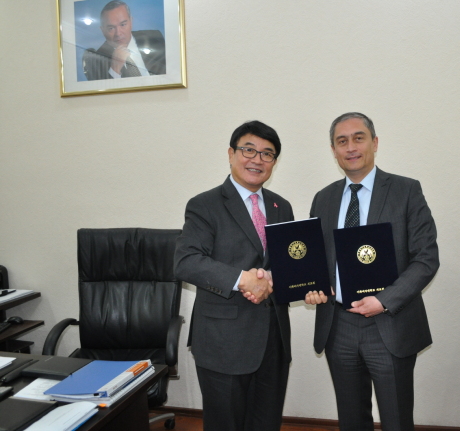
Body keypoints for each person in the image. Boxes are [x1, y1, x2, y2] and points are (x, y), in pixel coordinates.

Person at [305, 112, 439, 431]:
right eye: (342, 141)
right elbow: (316, 261)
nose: (350, 147)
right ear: (334, 150)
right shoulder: (323, 199)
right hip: (338, 325)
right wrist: (313, 285)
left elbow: (426, 258)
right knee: (352, 421)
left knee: (396, 420)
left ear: (375, 143)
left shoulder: (406, 191)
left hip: (388, 322)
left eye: (358, 138)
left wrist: (385, 300)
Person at [174, 121, 293, 431]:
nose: (257, 159)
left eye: (267, 154)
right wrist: (243, 280)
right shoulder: (204, 205)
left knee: (266, 424)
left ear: (274, 163)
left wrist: (281, 281)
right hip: (222, 342)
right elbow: (186, 261)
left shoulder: (282, 207)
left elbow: (288, 262)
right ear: (231, 153)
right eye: (248, 150)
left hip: (273, 340)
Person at [82, 0, 166, 80]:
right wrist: (115, 70)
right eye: (111, 28)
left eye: (123, 24)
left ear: (131, 22)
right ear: (102, 30)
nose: (118, 33)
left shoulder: (155, 37)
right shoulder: (95, 60)